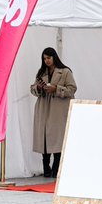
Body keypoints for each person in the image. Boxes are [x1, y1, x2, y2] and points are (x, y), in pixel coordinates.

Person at [30, 47, 76, 178]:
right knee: (44, 138)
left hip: (58, 109)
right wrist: (38, 88)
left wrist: (56, 89)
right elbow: (33, 89)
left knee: (57, 139)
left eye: (49, 58)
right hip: (43, 108)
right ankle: (46, 167)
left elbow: (72, 89)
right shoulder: (41, 72)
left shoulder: (65, 72)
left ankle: (56, 168)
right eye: (44, 58)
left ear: (54, 57)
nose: (46, 61)